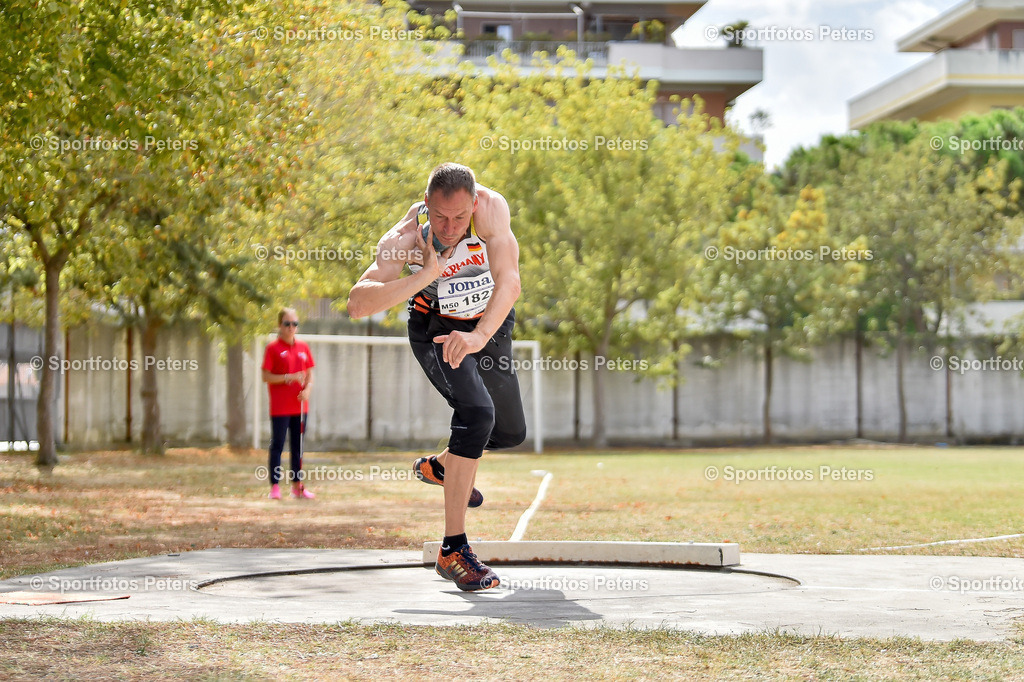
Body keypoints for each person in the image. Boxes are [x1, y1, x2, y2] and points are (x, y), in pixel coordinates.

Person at [348, 162, 526, 591]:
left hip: (486, 323)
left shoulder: (492, 212)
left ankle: (441, 468)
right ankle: (453, 549)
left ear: (475, 204)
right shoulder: (406, 238)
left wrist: (481, 334)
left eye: (460, 218)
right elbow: (357, 303)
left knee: (508, 433)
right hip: (437, 328)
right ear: (426, 205)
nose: (450, 228)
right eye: (441, 217)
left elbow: (510, 280)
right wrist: (426, 273)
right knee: (477, 415)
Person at [261, 307, 316, 500]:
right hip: (280, 408)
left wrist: (307, 390)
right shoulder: (272, 348)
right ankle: (275, 487)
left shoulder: (303, 347)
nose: (291, 327)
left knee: (298, 446)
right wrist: (288, 377)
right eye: (287, 324)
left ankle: (297, 486)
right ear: (280, 325)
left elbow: (310, 374)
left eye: (294, 324)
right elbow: (265, 376)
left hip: (300, 408)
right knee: (277, 445)